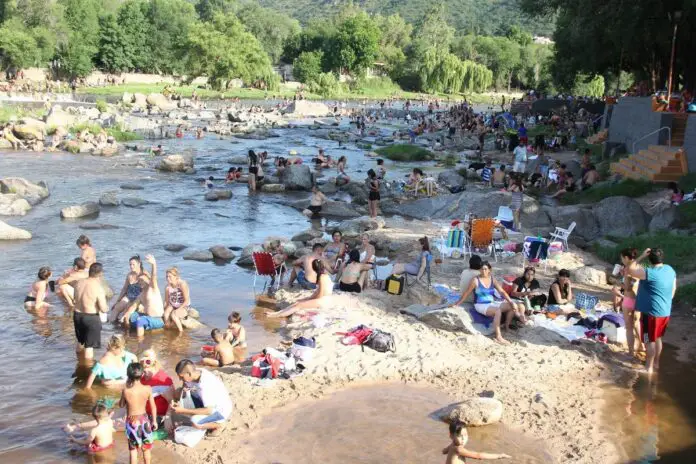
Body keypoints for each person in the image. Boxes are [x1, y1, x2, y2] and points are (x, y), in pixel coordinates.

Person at [626, 248, 677, 375]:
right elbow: (673, 289)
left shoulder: (649, 272)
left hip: (650, 313)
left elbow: (630, 269)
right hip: (664, 312)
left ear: (649, 259)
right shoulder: (670, 269)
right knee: (658, 338)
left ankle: (648, 368)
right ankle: (656, 363)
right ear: (662, 257)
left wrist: (642, 255)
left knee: (649, 340)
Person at [449, 260, 525, 345]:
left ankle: (507, 327)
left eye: (485, 269)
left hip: (491, 303)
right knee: (497, 311)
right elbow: (466, 293)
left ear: (489, 270)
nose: (483, 271)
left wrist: (511, 302)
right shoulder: (475, 280)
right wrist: (457, 304)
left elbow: (502, 291)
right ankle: (498, 337)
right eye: (481, 269)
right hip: (481, 305)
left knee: (512, 306)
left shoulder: (492, 279)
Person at [172, 359, 233, 434]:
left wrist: (183, 410)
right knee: (178, 392)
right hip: (205, 403)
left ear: (189, 374)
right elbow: (185, 385)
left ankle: (219, 425)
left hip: (220, 411)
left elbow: (209, 410)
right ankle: (199, 415)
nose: (180, 379)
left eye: (181, 377)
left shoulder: (205, 384)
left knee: (196, 422)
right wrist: (181, 394)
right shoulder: (196, 372)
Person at [267, 259, 333, 318]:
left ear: (314, 268)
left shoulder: (322, 277)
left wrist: (309, 300)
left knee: (298, 305)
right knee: (297, 303)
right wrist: (309, 298)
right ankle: (278, 313)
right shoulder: (323, 275)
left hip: (323, 301)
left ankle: (277, 315)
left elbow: (320, 294)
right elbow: (317, 292)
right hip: (322, 299)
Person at [119, 363, 157, 464]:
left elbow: (121, 405)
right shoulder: (148, 388)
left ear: (128, 375)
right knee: (146, 448)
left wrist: (124, 393)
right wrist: (154, 421)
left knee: (133, 450)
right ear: (142, 374)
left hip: (132, 422)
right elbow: (153, 406)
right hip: (145, 420)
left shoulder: (126, 390)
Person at [121, 255, 166, 337]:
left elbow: (154, 276)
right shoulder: (141, 295)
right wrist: (126, 315)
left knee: (140, 320)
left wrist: (153, 264)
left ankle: (140, 341)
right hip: (147, 317)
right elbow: (133, 307)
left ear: (148, 281)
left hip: (157, 319)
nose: (140, 282)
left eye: (142, 280)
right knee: (130, 315)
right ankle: (127, 336)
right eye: (139, 281)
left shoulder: (153, 289)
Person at [74, 263, 109, 360]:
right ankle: (87, 368)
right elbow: (103, 308)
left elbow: (74, 299)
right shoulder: (98, 287)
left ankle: (78, 361)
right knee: (89, 347)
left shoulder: (79, 282)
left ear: (89, 271)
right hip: (91, 318)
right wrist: (107, 308)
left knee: (80, 342)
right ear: (100, 274)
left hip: (77, 315)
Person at [618, 248, 644, 359]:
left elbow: (628, 288)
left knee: (629, 327)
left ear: (626, 257)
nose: (622, 260)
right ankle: (642, 346)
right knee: (637, 323)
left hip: (629, 299)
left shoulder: (628, 269)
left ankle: (631, 352)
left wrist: (617, 282)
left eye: (622, 258)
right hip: (639, 299)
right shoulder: (640, 267)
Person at [443, 422, 510, 463]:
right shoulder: (458, 449)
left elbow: (444, 451)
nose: (463, 438)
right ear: (451, 436)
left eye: (465, 435)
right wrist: (499, 456)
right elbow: (478, 455)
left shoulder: (453, 444)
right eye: (459, 436)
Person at [111, 255, 149, 322]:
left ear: (139, 264)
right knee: (116, 308)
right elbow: (124, 289)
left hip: (139, 299)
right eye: (130, 264)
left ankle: (122, 323)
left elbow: (151, 289)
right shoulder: (129, 275)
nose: (131, 266)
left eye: (133, 264)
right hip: (129, 296)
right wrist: (117, 301)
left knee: (125, 313)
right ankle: (111, 324)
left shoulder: (145, 274)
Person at [163, 267, 191, 333]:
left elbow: (186, 301)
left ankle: (181, 332)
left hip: (184, 306)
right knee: (166, 314)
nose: (168, 278)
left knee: (174, 315)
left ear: (176, 277)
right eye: (167, 276)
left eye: (170, 276)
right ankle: (168, 330)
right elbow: (166, 301)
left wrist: (178, 309)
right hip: (173, 305)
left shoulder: (182, 284)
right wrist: (164, 310)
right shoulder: (167, 287)